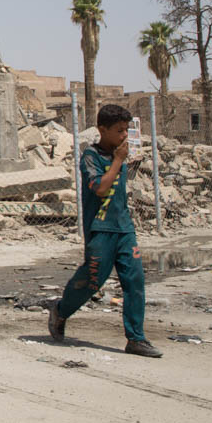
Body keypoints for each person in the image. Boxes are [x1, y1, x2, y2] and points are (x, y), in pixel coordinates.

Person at [49, 104, 162, 357]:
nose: (124, 136)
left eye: (126, 130)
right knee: (92, 281)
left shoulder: (119, 156)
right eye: (119, 130)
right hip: (100, 229)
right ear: (102, 130)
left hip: (124, 228)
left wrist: (122, 160)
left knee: (134, 282)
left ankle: (136, 338)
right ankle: (61, 310)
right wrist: (118, 161)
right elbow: (99, 188)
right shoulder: (91, 156)